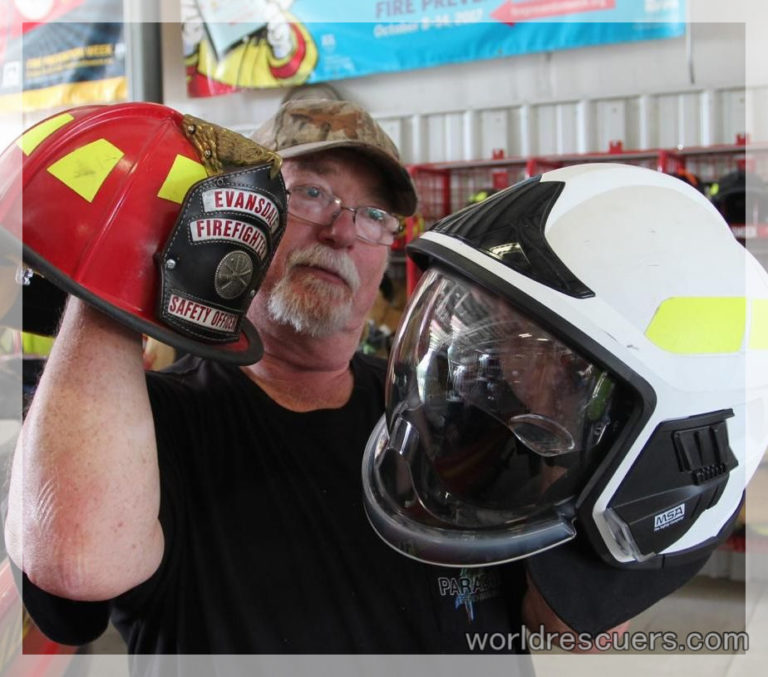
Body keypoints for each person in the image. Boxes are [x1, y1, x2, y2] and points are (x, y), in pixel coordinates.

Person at [3, 100, 712, 668]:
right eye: (309, 192)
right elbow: (76, 566)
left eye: (373, 214)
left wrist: (694, 444)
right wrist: (116, 272)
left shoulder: (456, 414)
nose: (343, 231)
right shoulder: (148, 422)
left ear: (388, 250)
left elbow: (571, 623)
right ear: (242, 216)